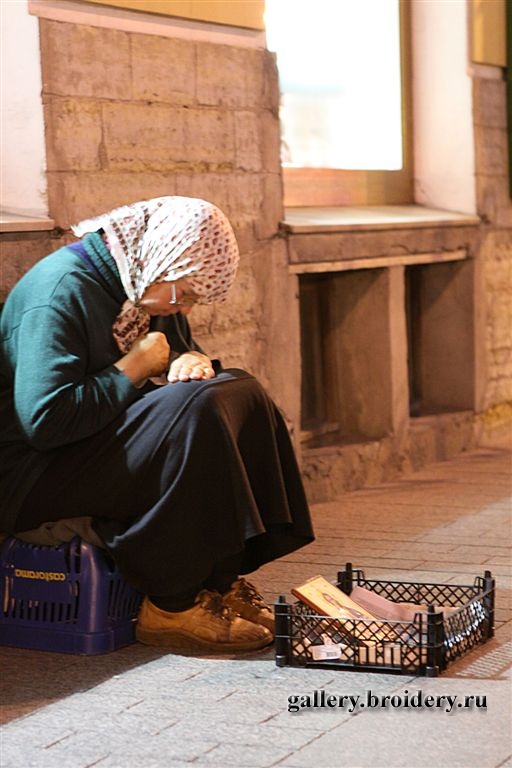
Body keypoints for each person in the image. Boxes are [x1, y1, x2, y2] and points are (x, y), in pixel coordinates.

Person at [0, 196, 314, 653]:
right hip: (32, 475)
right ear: (160, 258)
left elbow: (172, 353)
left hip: (90, 442)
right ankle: (171, 605)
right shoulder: (60, 292)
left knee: (237, 390)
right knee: (198, 411)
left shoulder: (139, 282)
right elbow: (45, 422)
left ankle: (218, 582)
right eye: (183, 294)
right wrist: (131, 369)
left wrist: (191, 358)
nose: (183, 310)